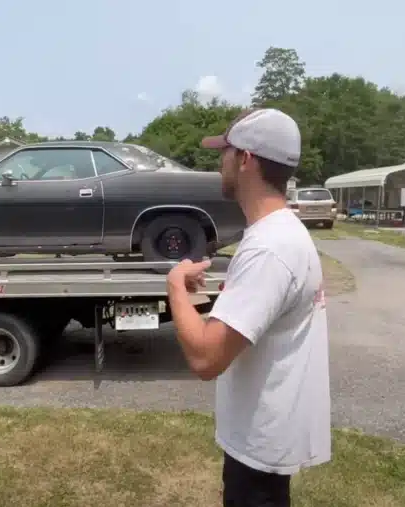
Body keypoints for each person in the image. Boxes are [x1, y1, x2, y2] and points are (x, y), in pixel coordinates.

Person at [165, 108, 332, 507]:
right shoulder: (282, 234)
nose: (219, 162)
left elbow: (206, 358)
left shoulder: (269, 249)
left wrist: (175, 286)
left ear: (245, 160)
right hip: (265, 443)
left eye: (225, 152)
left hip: (259, 450)